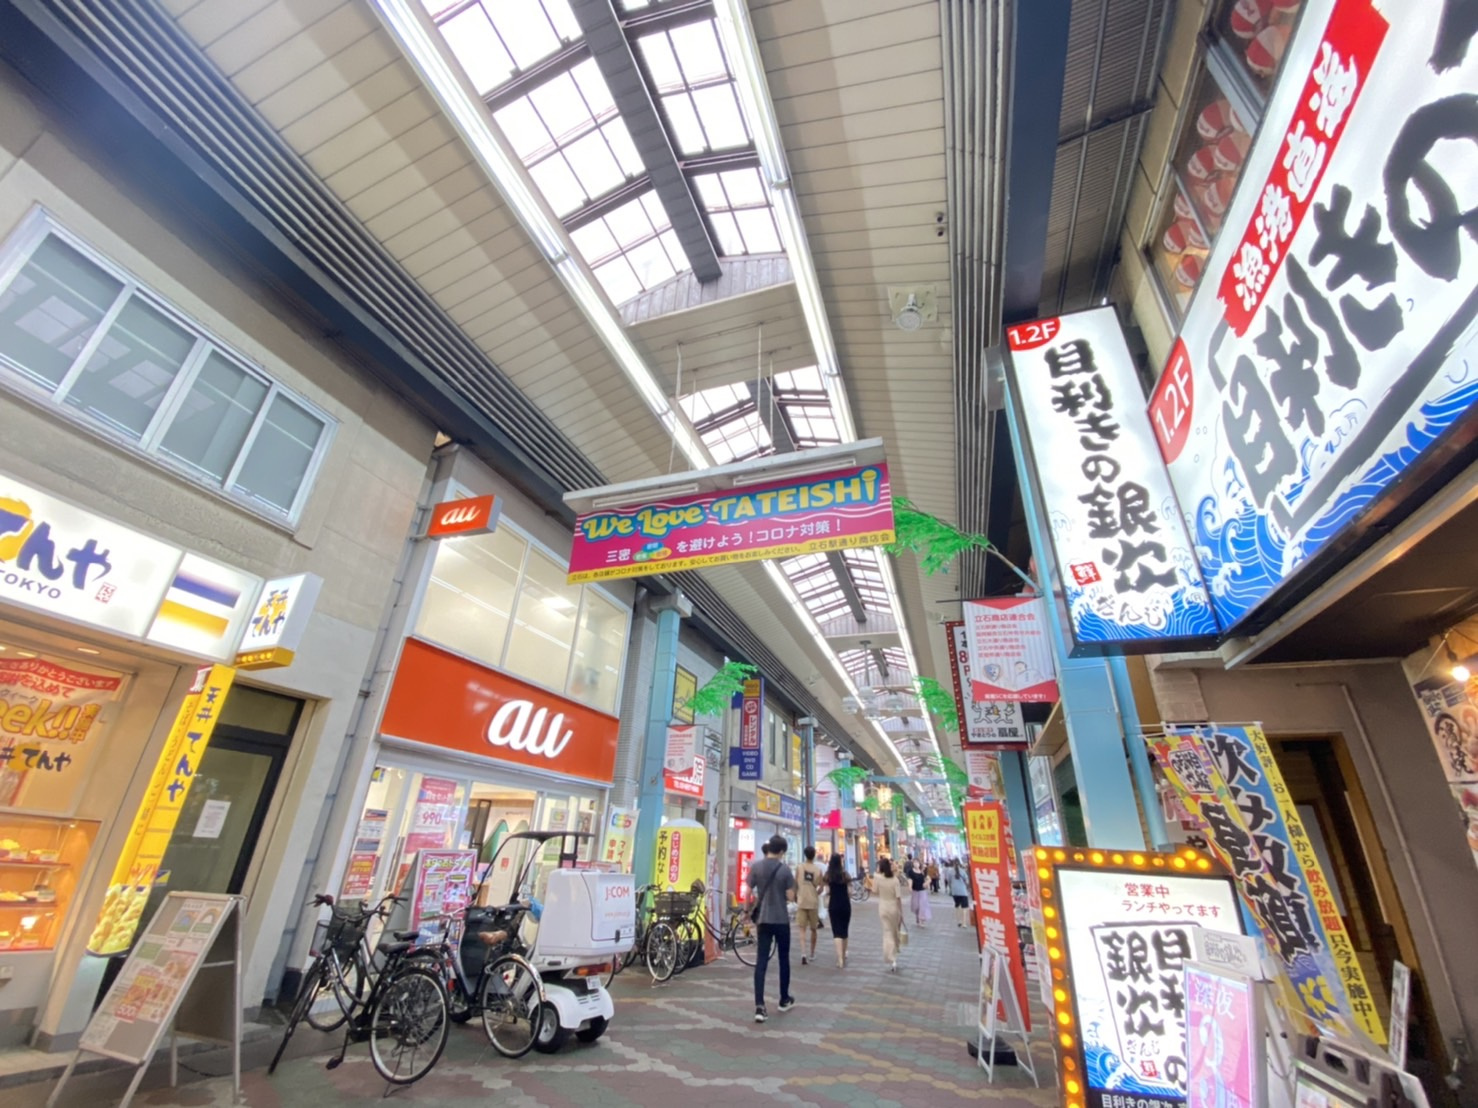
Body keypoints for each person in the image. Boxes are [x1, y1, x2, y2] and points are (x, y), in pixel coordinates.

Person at [747, 834, 796, 1022]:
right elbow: (790, 896)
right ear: (782, 851)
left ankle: (759, 1007)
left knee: (761, 961)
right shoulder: (785, 870)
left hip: (763, 920)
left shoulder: (756, 866)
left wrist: (746, 910)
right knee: (784, 959)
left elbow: (747, 890)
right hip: (781, 920)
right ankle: (784, 999)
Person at [794, 845, 824, 965]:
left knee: (802, 929)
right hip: (813, 902)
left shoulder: (799, 867)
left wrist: (796, 895)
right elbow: (821, 888)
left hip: (801, 901)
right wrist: (815, 893)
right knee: (813, 929)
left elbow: (795, 883)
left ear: (805, 855)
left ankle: (803, 953)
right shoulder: (818, 870)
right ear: (814, 855)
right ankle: (812, 953)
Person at [874, 857, 905, 972]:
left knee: (887, 932)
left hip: (883, 907)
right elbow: (898, 897)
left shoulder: (878, 878)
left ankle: (891, 958)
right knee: (894, 931)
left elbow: (874, 890)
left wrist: (877, 874)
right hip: (894, 907)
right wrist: (901, 912)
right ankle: (894, 954)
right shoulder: (895, 880)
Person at [823, 854, 852, 968]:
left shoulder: (828, 876)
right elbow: (850, 892)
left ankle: (839, 959)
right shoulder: (845, 875)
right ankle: (844, 955)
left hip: (833, 905)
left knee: (836, 932)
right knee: (844, 931)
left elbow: (827, 891)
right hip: (845, 905)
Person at [906, 855, 931, 926]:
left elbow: (929, 879)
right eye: (914, 862)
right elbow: (910, 880)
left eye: (917, 862)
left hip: (922, 891)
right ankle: (918, 917)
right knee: (916, 906)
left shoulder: (922, 872)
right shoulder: (910, 872)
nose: (916, 864)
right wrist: (910, 887)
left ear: (919, 863)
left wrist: (927, 883)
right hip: (915, 891)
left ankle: (922, 920)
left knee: (922, 906)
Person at [948, 862, 971, 928]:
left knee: (957, 906)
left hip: (955, 892)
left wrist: (951, 888)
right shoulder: (963, 871)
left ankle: (959, 921)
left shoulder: (950, 872)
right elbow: (967, 881)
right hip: (963, 891)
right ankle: (964, 923)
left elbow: (949, 881)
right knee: (964, 908)